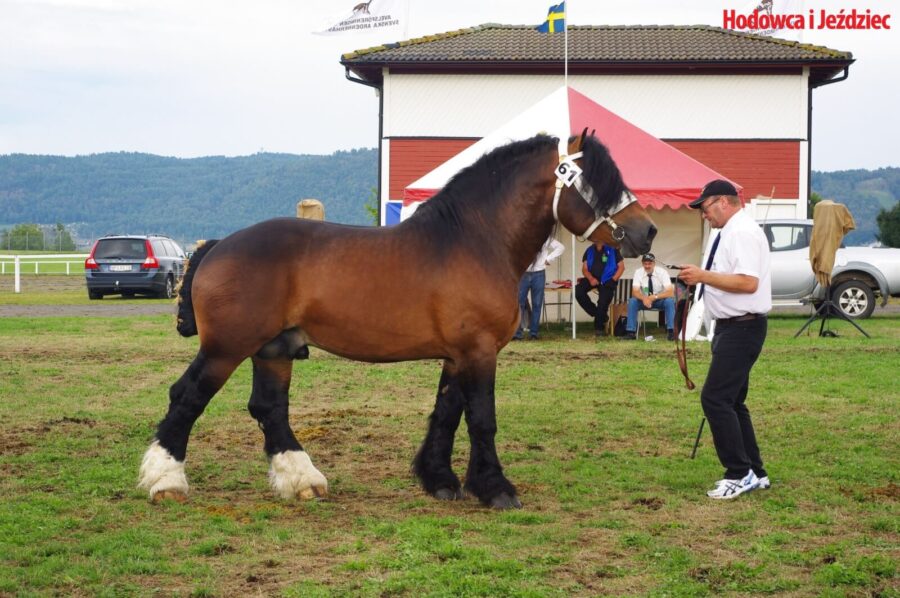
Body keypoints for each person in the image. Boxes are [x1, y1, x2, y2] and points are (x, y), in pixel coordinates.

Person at [679, 179, 772, 500]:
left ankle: (739, 472)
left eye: (704, 208)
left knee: (715, 400)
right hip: (733, 326)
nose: (703, 215)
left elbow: (748, 283)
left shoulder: (742, 232)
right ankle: (755, 472)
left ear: (722, 201)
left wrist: (702, 276)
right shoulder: (730, 232)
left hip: (742, 327)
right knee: (732, 401)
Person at [512, 235, 565, 340]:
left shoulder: (545, 236)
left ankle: (533, 333)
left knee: (536, 304)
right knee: (519, 303)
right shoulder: (522, 234)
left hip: (538, 273)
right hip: (524, 273)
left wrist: (549, 258)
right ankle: (517, 334)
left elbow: (561, 247)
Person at [574, 243, 624, 336]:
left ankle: (599, 328)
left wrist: (613, 280)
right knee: (578, 290)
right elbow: (584, 269)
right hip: (592, 278)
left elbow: (621, 267)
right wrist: (591, 278)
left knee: (602, 302)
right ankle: (600, 315)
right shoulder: (589, 250)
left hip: (608, 279)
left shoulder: (613, 250)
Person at [625, 253, 676, 340]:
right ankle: (631, 333)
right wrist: (644, 298)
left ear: (654, 263)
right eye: (645, 264)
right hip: (644, 301)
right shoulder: (638, 272)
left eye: (649, 263)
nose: (647, 266)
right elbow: (635, 292)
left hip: (659, 300)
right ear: (642, 263)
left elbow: (670, 292)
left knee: (670, 301)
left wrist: (654, 297)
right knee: (632, 301)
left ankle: (672, 332)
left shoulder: (662, 272)